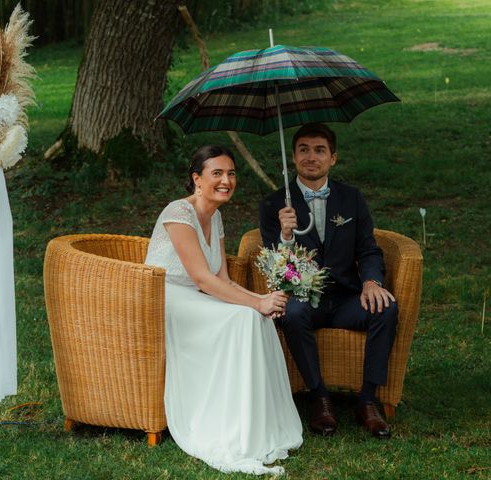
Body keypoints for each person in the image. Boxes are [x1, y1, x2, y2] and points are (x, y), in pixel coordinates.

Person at [145, 145, 302, 475]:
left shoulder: (215, 217)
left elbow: (222, 278)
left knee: (255, 318)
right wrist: (256, 302)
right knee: (244, 316)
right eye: (216, 173)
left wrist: (262, 300)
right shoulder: (179, 213)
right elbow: (202, 278)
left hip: (198, 295)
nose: (226, 180)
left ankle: (256, 423)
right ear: (197, 179)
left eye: (231, 173)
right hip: (167, 298)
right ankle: (229, 427)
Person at [259, 123, 398, 439]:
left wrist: (372, 283)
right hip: (304, 298)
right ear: (293, 157)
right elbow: (273, 265)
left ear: (332, 158)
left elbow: (368, 249)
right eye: (303, 150)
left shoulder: (351, 198)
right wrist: (285, 235)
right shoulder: (274, 204)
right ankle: (319, 397)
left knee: (386, 308)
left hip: (347, 298)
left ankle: (367, 400)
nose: (311, 157)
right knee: (292, 313)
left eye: (319, 150)